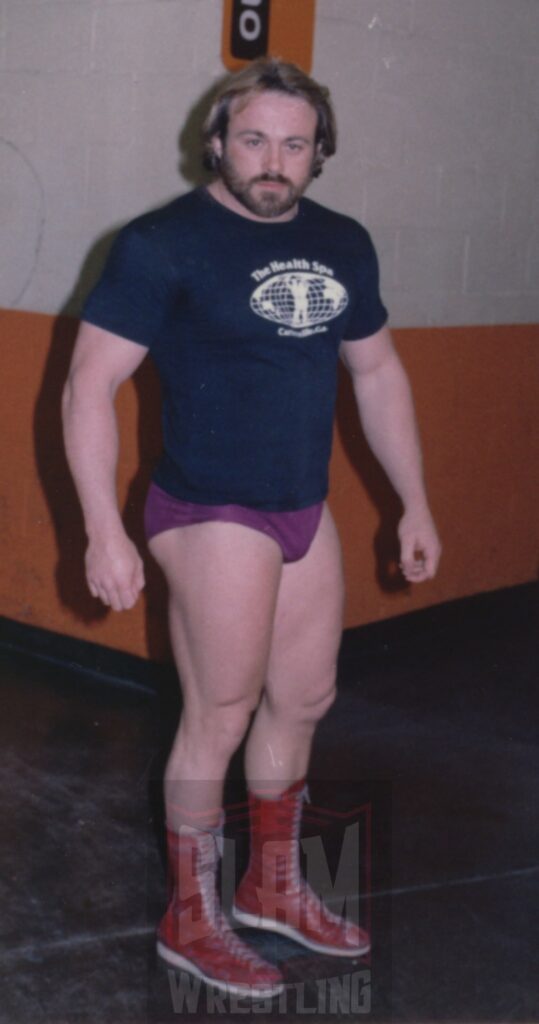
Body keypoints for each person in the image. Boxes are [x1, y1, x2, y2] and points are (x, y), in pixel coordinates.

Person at [62, 58, 441, 999]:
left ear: (319, 155)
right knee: (220, 711)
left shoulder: (344, 243)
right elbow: (88, 386)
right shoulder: (161, 244)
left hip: (300, 508)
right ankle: (191, 917)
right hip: (207, 506)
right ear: (218, 142)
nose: (274, 160)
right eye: (255, 139)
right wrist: (101, 530)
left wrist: (414, 501)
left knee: (304, 699)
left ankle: (273, 890)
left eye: (295, 144)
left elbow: (377, 375)